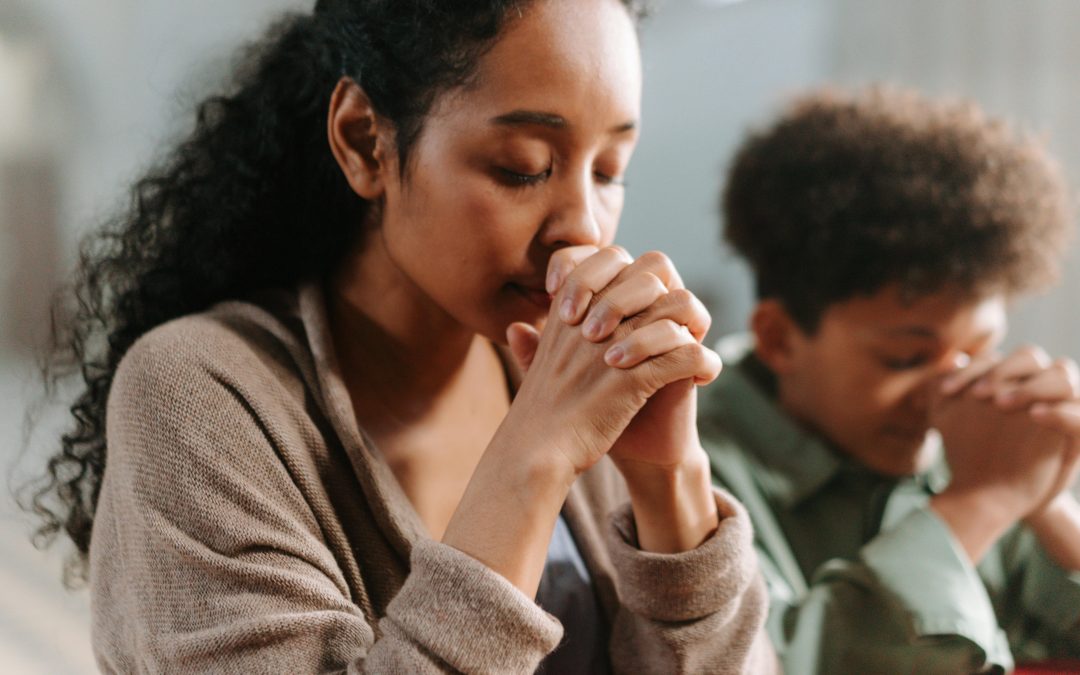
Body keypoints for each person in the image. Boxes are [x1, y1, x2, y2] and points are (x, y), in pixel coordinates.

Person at [24, 0, 780, 672]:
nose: (583, 225)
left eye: (609, 169)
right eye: (523, 168)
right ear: (364, 141)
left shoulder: (580, 387)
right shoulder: (199, 396)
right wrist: (530, 462)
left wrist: (669, 480)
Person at [701, 86, 1080, 673]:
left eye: (980, 351)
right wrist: (979, 502)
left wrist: (1047, 496)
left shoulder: (970, 449)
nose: (949, 392)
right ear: (779, 338)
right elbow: (773, 661)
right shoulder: (686, 461)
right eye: (905, 360)